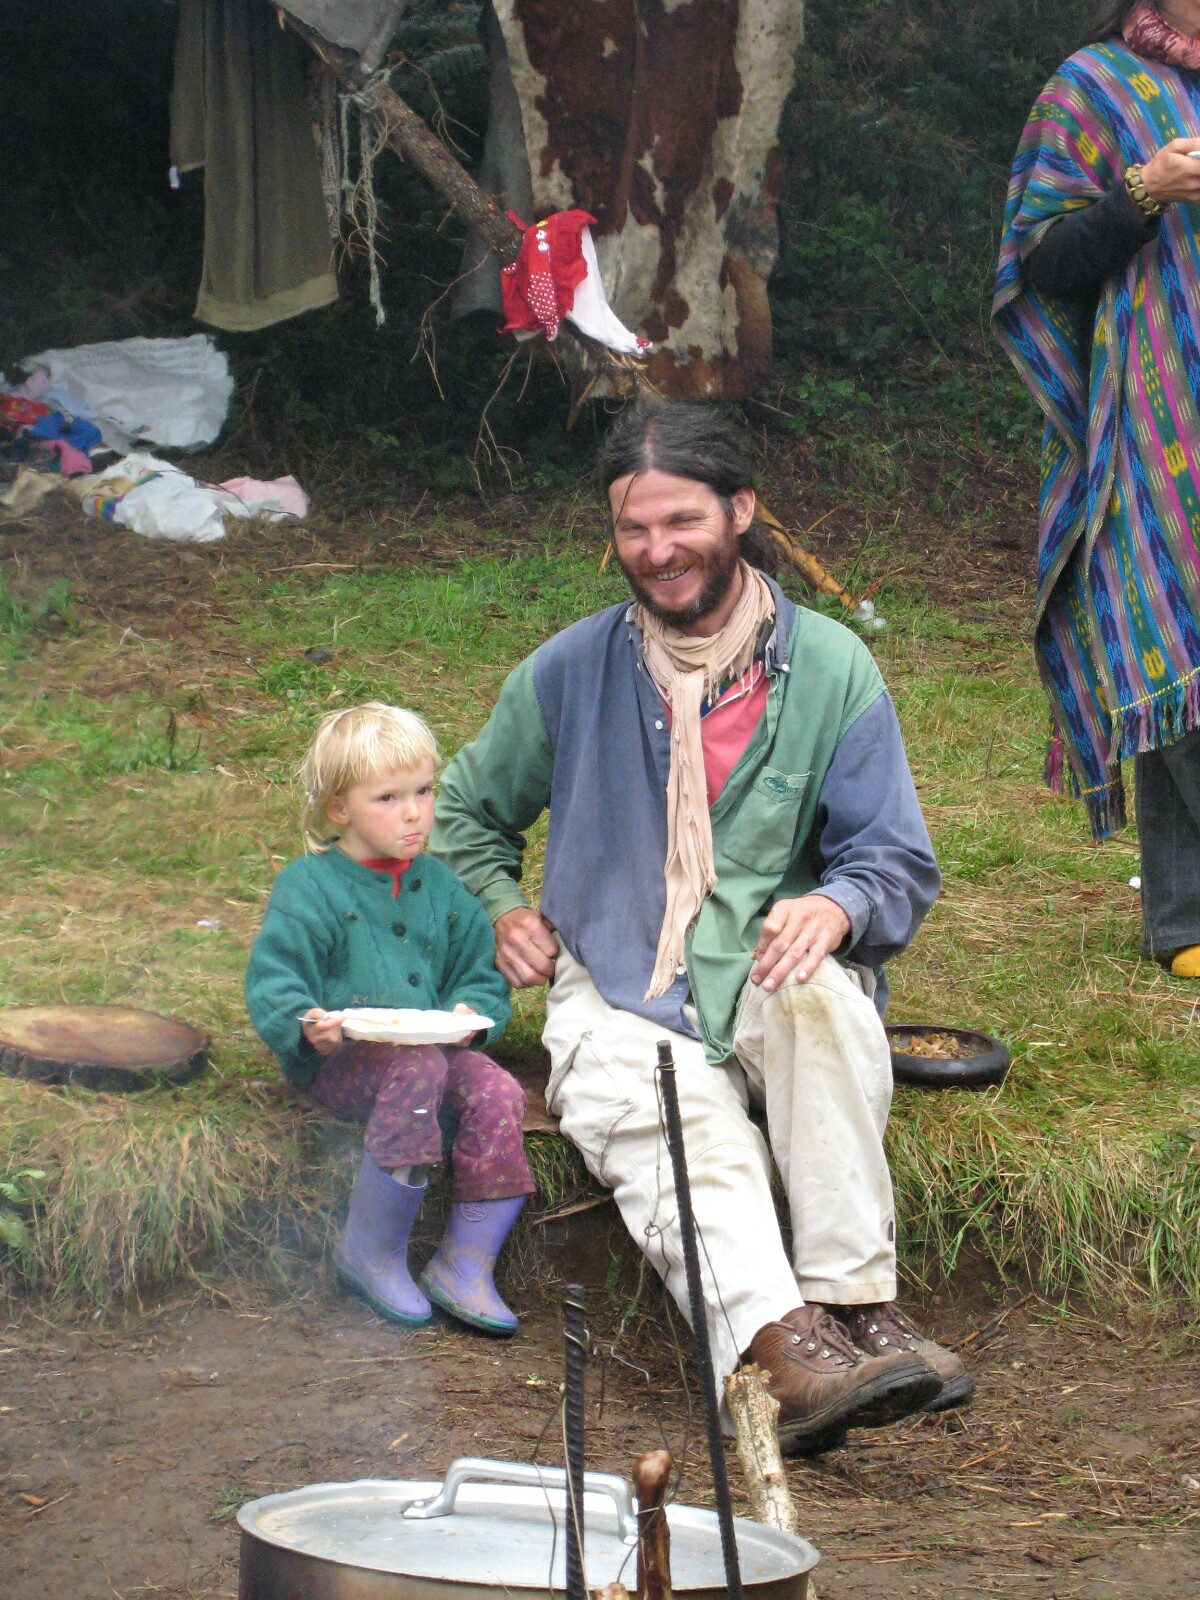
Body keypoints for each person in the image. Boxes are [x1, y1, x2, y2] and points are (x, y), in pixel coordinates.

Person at [432, 403, 972, 1454]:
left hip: (765, 965)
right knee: (682, 1126)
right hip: (620, 982)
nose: (657, 550)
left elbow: (895, 859)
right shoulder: (572, 670)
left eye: (681, 521)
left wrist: (838, 904)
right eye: (633, 529)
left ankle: (860, 1307)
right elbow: (464, 811)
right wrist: (500, 902)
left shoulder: (832, 669)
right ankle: (779, 1356)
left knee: (822, 1009)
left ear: (741, 511)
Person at [994, 0, 1200, 980]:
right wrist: (1142, 191)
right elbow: (1042, 264)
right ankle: (1185, 918)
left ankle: (1183, 913)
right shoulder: (1092, 86)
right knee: (1169, 630)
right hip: (1159, 420)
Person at [245, 701, 534, 1335]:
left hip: (434, 1054)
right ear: (338, 809)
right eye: (388, 798)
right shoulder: (309, 888)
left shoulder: (444, 888)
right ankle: (370, 1249)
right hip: (343, 1063)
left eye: (424, 792)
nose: (414, 813)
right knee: (417, 1070)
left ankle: (467, 1262)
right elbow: (275, 976)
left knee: (497, 1089)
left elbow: (478, 973)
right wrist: (304, 1022)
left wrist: (473, 1014)